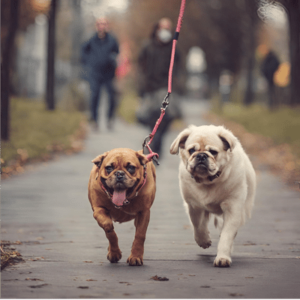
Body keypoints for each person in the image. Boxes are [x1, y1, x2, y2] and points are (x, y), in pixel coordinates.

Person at [137, 18, 182, 157]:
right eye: (163, 27)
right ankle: (153, 144)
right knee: (149, 118)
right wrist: (142, 86)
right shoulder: (147, 46)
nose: (165, 31)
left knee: (167, 118)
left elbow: (178, 68)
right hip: (150, 88)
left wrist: (175, 85)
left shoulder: (173, 48)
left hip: (165, 88)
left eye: (168, 28)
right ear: (157, 29)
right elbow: (140, 65)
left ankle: (157, 143)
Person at [81, 17, 119, 130]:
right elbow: (83, 51)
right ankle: (94, 120)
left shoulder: (112, 39)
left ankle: (110, 119)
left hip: (108, 73)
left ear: (107, 26)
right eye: (100, 24)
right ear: (97, 26)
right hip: (95, 73)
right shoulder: (91, 39)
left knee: (112, 97)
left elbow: (117, 52)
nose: (102, 26)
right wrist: (89, 62)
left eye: (104, 24)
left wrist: (112, 60)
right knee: (94, 96)